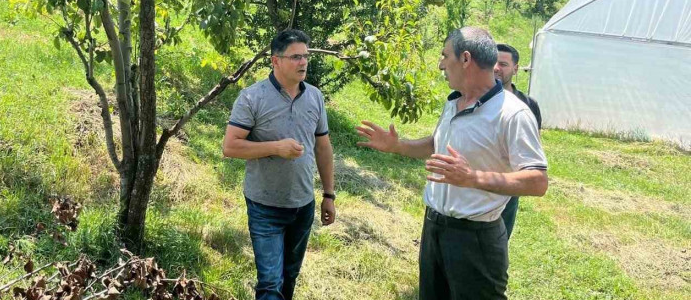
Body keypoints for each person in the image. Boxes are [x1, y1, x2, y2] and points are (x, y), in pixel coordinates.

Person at [356, 27, 548, 300]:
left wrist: (472, 178)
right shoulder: (454, 103)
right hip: (434, 228)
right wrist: (397, 146)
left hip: (476, 239)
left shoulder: (513, 114)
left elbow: (538, 181)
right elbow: (435, 144)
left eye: (446, 56)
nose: (441, 64)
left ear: (466, 59)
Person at [223, 29, 336, 300]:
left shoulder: (315, 97)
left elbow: (323, 147)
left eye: (305, 56)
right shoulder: (252, 97)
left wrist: (329, 195)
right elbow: (230, 146)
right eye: (296, 57)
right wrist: (276, 148)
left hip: (302, 205)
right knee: (270, 283)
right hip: (265, 206)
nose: (303, 62)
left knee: (289, 277)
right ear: (275, 61)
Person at [494, 42, 542, 239]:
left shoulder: (528, 105)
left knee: (501, 237)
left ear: (515, 69)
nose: (496, 68)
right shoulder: (476, 98)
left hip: (509, 184)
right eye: (493, 63)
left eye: (503, 64)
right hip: (477, 180)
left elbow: (533, 145)